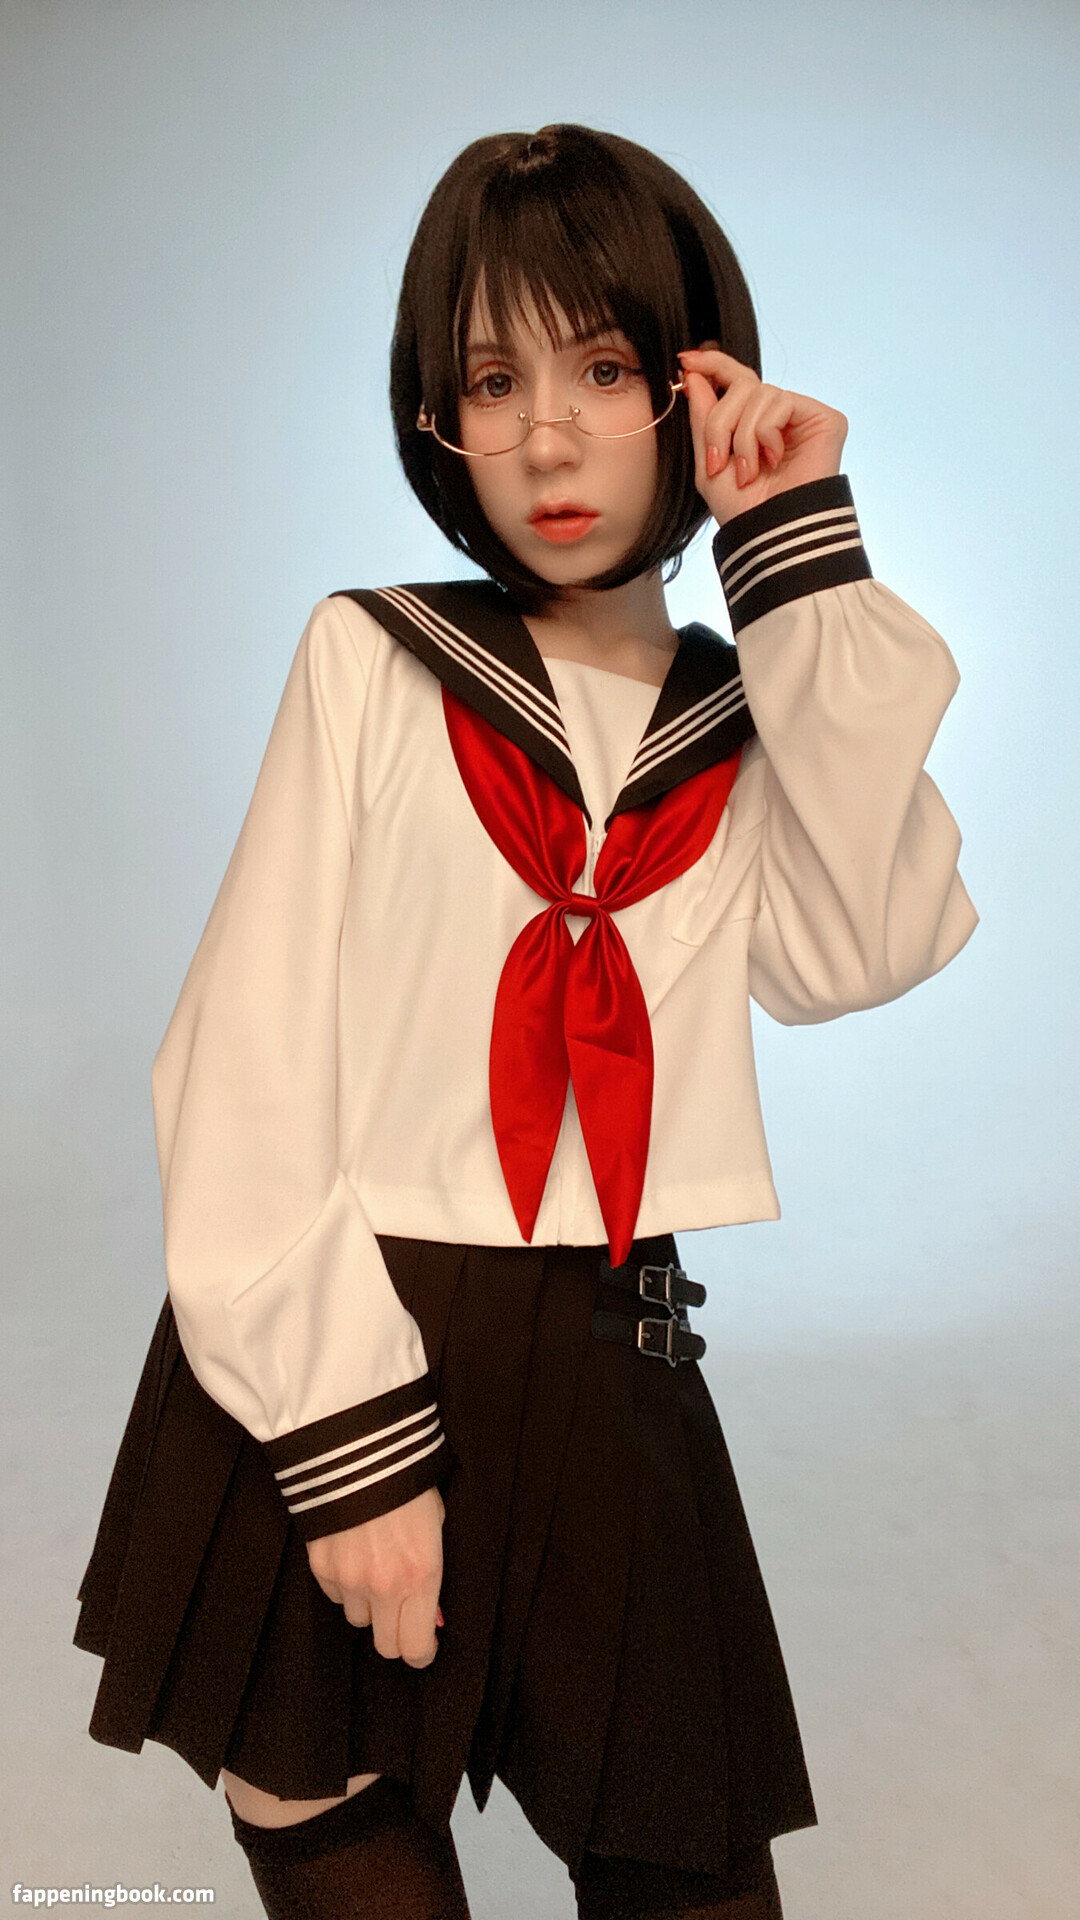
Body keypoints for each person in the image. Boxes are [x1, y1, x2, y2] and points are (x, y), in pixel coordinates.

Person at [73, 123, 978, 1920]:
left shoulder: (750, 718)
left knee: (688, 1860)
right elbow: (244, 1068)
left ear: (695, 386)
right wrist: (348, 1450)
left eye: (605, 369)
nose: (549, 437)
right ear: (439, 419)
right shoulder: (372, 661)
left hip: (610, 1344)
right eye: (493, 381)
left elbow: (860, 946)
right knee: (331, 1818)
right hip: (342, 1334)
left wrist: (794, 552)